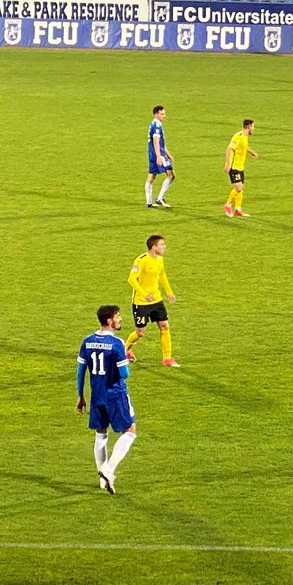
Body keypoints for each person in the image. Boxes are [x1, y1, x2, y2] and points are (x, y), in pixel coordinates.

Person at [77, 305, 138, 494]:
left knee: (101, 433)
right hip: (116, 395)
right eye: (117, 316)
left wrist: (80, 396)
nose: (120, 319)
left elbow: (81, 372)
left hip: (97, 396)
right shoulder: (117, 343)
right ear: (109, 321)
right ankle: (109, 469)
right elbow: (124, 373)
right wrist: (126, 360)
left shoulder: (87, 342)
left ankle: (103, 481)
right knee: (130, 430)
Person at [124, 235, 179, 367]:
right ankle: (125, 351)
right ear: (153, 247)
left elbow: (162, 275)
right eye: (161, 244)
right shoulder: (141, 260)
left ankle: (167, 358)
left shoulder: (160, 259)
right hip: (141, 302)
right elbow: (131, 280)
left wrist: (169, 292)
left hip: (156, 300)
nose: (164, 247)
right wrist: (145, 294)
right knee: (140, 332)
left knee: (164, 326)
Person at [224, 118, 258, 217]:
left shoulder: (244, 136)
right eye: (253, 126)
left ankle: (238, 209)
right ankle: (228, 204)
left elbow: (244, 147)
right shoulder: (238, 137)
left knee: (241, 188)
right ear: (249, 127)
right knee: (238, 188)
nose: (254, 129)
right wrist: (227, 164)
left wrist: (252, 152)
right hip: (234, 167)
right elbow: (229, 149)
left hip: (240, 167)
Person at [144, 105, 175, 209]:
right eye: (162, 114)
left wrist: (168, 153)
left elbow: (161, 143)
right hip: (158, 155)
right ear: (156, 114)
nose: (164, 116)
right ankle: (160, 199)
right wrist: (159, 156)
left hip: (153, 154)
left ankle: (149, 202)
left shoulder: (153, 124)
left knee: (151, 177)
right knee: (171, 175)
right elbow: (156, 142)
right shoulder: (157, 126)